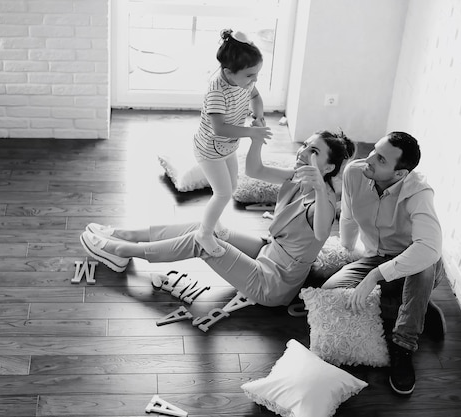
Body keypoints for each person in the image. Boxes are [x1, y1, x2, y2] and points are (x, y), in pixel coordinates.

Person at [79, 130, 355, 308]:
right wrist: (256, 139)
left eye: (313, 152)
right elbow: (255, 169)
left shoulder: (325, 200)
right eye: (305, 145)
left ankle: (121, 251)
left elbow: (320, 233)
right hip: (268, 251)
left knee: (203, 242)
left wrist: (319, 187)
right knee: (206, 227)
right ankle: (127, 235)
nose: (303, 152)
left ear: (328, 168)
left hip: (273, 283)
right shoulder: (297, 177)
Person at [321, 131, 447, 396]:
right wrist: (346, 249)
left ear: (400, 174)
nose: (369, 159)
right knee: (332, 294)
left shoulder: (419, 193)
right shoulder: (355, 173)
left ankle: (404, 344)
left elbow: (428, 249)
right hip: (376, 257)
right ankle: (418, 308)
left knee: (421, 270)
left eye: (380, 159)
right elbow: (349, 216)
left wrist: (374, 276)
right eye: (374, 151)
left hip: (414, 263)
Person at [192, 28, 272, 257]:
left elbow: (255, 96)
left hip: (228, 147)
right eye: (250, 75)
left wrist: (258, 116)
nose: (254, 80)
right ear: (228, 71)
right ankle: (204, 233)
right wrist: (251, 133)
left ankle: (215, 224)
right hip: (209, 149)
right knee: (223, 193)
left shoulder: (243, 82)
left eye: (257, 74)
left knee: (232, 187)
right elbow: (220, 128)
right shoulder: (217, 92)